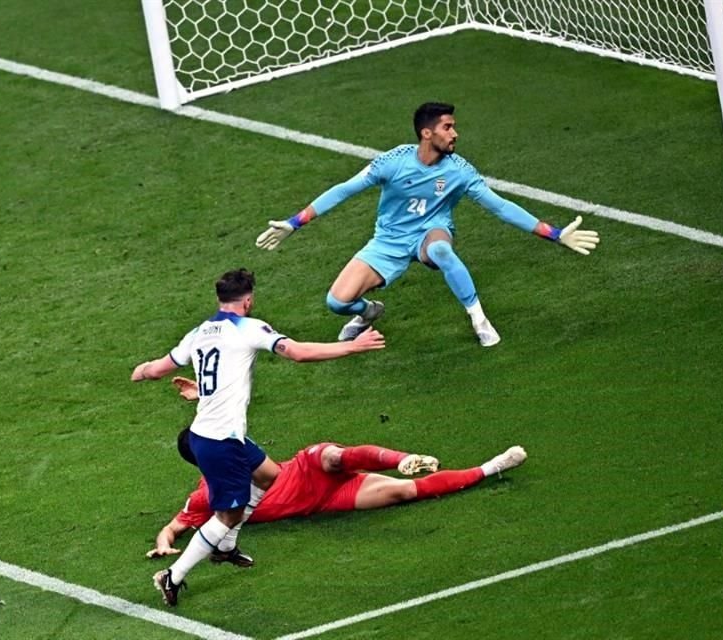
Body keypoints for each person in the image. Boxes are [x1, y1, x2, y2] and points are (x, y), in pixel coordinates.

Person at [130, 268, 385, 606]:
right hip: (221, 442)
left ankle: (226, 547)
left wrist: (142, 371)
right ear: (247, 300)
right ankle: (173, 577)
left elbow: (160, 368)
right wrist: (352, 347)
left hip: (211, 433)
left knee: (269, 475)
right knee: (227, 516)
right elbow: (297, 352)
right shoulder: (248, 328)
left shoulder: (199, 333)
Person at [255, 102, 601, 347]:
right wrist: (295, 222)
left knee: (439, 248)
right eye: (447, 127)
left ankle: (479, 320)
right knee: (337, 302)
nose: (455, 134)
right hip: (387, 242)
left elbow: (500, 206)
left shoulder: (460, 170)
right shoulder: (393, 162)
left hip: (429, 233)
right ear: (426, 132)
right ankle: (370, 312)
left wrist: (554, 234)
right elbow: (344, 190)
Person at [147, 426, 528, 559]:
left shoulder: (234, 447)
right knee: (404, 493)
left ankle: (404, 457)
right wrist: (165, 544)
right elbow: (174, 527)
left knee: (334, 456)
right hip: (324, 501)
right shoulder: (204, 496)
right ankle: (493, 466)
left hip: (306, 467)